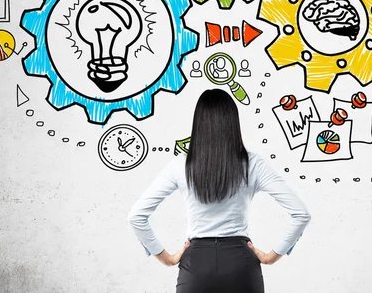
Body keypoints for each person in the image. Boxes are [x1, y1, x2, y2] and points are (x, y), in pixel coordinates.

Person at [128, 89, 311, 293]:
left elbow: (136, 216)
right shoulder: (253, 164)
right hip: (241, 265)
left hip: (196, 266)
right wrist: (273, 256)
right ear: (233, 123)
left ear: (199, 124)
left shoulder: (180, 165)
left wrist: (167, 259)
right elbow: (301, 213)